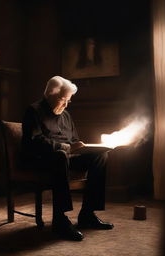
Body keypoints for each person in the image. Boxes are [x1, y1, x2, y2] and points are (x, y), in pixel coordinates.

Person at [21, 75, 113, 241]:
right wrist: (66, 148)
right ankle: (60, 220)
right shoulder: (33, 111)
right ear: (51, 95)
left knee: (101, 156)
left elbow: (74, 141)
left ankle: (87, 214)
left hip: (66, 157)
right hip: (41, 159)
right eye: (63, 100)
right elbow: (35, 142)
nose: (66, 104)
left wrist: (83, 147)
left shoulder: (66, 115)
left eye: (68, 101)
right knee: (60, 156)